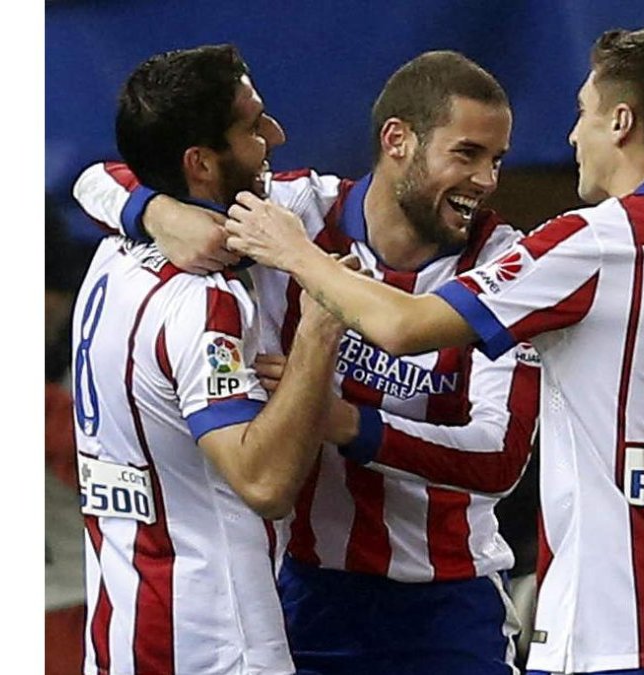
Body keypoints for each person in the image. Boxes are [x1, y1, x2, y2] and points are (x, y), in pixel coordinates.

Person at [219, 27, 644, 675]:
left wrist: (296, 256)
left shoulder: (595, 243)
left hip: (605, 631)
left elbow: (405, 327)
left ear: (621, 121)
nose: (571, 137)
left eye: (582, 113)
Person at [72, 51, 540, 674]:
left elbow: (498, 457)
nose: (485, 181)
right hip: (304, 593)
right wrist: (160, 213)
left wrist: (346, 424)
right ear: (397, 141)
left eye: (497, 160)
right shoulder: (291, 213)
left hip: (446, 606)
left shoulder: (511, 266)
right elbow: (98, 178)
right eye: (467, 154)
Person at [71, 44, 344, 675]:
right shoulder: (204, 301)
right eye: (252, 127)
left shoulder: (110, 254)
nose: (274, 135)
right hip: (216, 643)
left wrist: (149, 208)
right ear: (200, 163)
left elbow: (97, 180)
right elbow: (264, 482)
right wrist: (318, 333)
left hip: (120, 633)